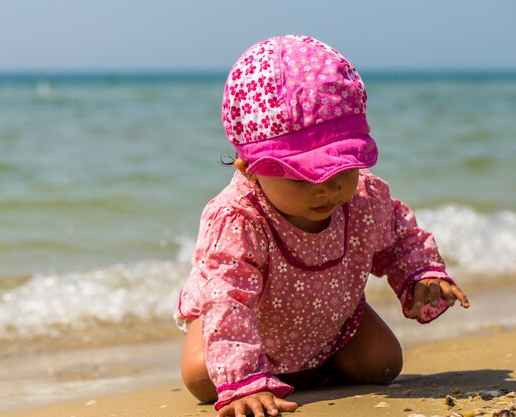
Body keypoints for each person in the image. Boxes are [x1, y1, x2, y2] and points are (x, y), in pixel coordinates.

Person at [174, 35, 470, 417]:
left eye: (340, 168)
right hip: (249, 327)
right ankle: (262, 371)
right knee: (202, 377)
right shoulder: (239, 219)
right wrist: (242, 379)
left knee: (383, 364)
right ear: (249, 168)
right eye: (301, 177)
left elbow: (399, 235)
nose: (327, 188)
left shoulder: (361, 199)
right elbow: (227, 297)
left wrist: (419, 273)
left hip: (332, 320)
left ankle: (314, 365)